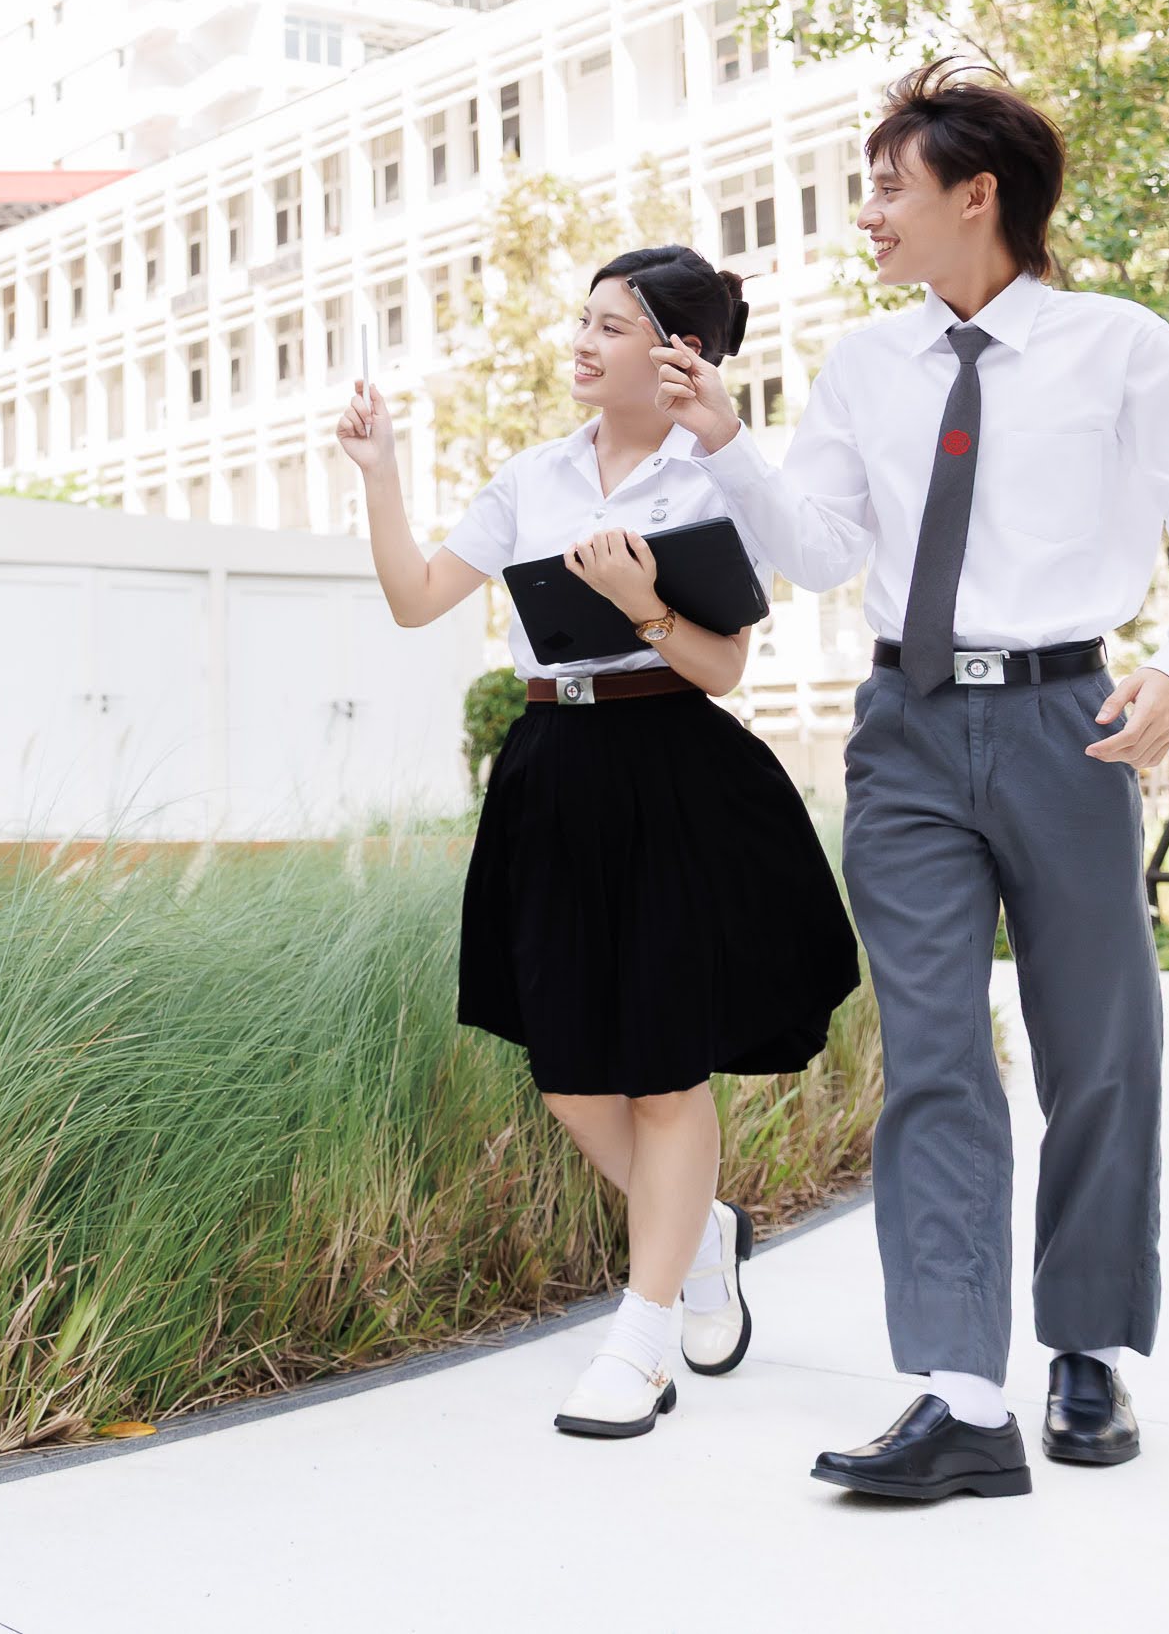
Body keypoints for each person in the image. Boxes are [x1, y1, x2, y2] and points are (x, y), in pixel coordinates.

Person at [665, 59, 1169, 1502]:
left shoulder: (1118, 346)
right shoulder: (863, 366)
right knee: (934, 1058)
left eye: (890, 186)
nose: (867, 213)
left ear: (976, 194)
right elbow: (821, 550)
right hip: (909, 731)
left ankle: (1087, 1348)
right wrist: (730, 446)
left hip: (1072, 717)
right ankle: (958, 1394)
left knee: (1099, 1048)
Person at [340, 245, 861, 1442]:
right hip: (549, 770)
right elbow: (417, 596)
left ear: (680, 352)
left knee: (666, 1070)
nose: (580, 342)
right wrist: (380, 473)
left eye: (610, 325)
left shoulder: (713, 477)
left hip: (669, 765)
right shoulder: (532, 474)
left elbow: (721, 666)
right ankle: (700, 1235)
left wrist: (642, 607)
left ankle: (639, 1336)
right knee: (570, 1076)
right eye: (582, 320)